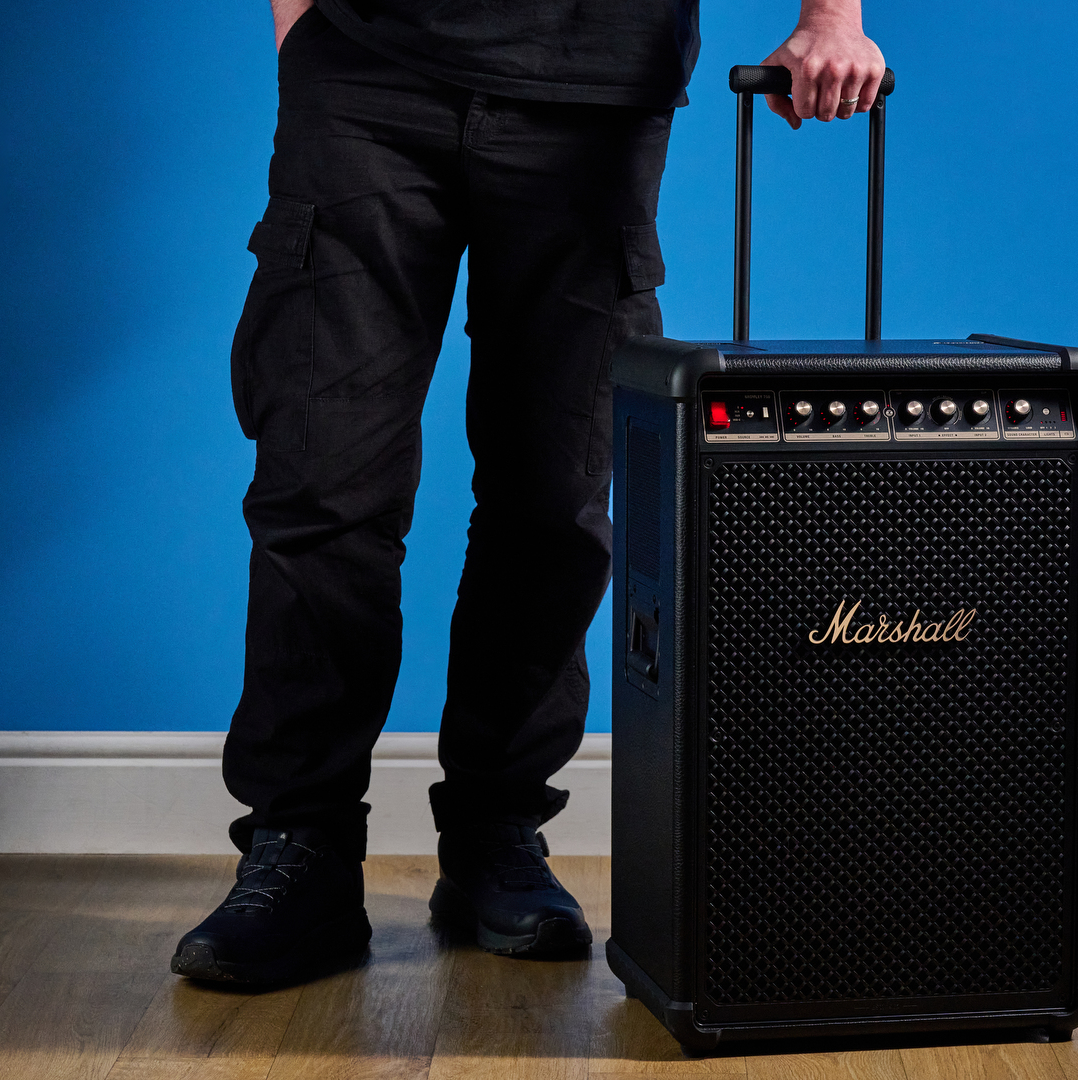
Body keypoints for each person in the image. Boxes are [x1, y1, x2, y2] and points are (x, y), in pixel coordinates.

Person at [171, 0, 886, 985]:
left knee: (556, 494)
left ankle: (496, 835)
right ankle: (300, 847)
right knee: (322, 478)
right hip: (366, 76)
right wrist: (303, 30)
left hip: (597, 81)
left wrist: (832, 15)